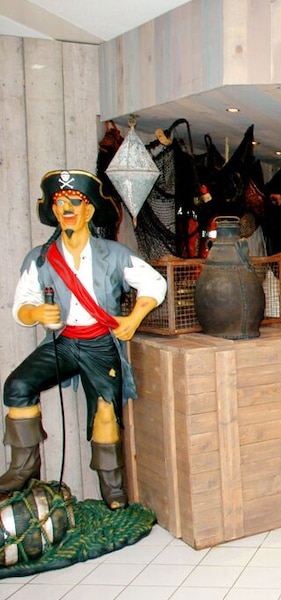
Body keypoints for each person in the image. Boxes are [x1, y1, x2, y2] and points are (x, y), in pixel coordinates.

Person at [1, 169, 167, 510]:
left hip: (100, 343)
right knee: (17, 386)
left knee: (106, 413)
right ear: (53, 210)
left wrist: (134, 318)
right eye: (60, 202)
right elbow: (21, 305)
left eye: (74, 201)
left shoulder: (114, 253)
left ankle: (113, 489)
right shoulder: (40, 257)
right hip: (62, 343)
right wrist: (36, 313)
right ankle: (23, 469)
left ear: (89, 210)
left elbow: (155, 284)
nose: (67, 209)